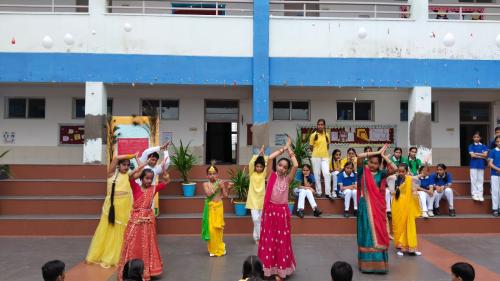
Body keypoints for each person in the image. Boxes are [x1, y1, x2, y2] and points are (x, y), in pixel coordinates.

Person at [117, 160, 170, 281]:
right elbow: (130, 176)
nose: (149, 181)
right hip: (136, 222)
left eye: (151, 179)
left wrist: (164, 170)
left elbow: (167, 181)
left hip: (147, 223)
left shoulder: (154, 188)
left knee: (147, 245)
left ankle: (146, 271)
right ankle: (130, 270)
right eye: (146, 178)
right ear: (141, 179)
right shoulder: (135, 186)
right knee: (131, 243)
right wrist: (140, 167)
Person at [86, 153, 136, 268]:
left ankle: (121, 255)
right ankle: (108, 255)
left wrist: (137, 159)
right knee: (109, 230)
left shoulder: (129, 175)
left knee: (122, 230)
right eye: (124, 164)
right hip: (112, 207)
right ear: (118, 165)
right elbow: (116, 158)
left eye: (128, 165)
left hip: (125, 205)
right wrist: (130, 155)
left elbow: (138, 172)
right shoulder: (111, 174)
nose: (126, 167)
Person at [258, 136, 298, 280]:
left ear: (287, 170)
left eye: (284, 167)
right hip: (270, 212)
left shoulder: (288, 179)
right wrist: (283, 149)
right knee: (269, 240)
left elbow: (296, 165)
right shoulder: (271, 175)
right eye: (280, 165)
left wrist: (290, 150)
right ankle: (268, 269)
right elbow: (269, 158)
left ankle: (280, 271)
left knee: (281, 241)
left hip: (281, 214)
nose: (281, 168)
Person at [356, 144, 395, 274]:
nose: (372, 165)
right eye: (371, 162)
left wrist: (383, 157)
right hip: (365, 207)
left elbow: (394, 169)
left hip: (377, 208)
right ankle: (366, 264)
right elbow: (359, 157)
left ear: (379, 164)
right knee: (366, 233)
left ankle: (380, 265)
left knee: (378, 232)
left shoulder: (381, 174)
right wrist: (375, 152)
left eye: (376, 163)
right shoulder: (362, 171)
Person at [202, 163, 233, 257]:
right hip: (210, 209)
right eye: (210, 174)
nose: (212, 175)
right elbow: (208, 194)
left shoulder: (221, 183)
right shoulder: (205, 184)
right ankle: (212, 249)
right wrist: (216, 187)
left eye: (214, 173)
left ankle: (220, 248)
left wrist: (228, 188)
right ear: (207, 175)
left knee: (218, 229)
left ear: (217, 174)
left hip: (219, 207)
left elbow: (226, 196)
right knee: (211, 230)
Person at [392, 163, 422, 256]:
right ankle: (402, 247)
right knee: (400, 226)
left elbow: (414, 189)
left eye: (403, 171)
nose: (401, 173)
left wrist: (414, 194)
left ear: (407, 171)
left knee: (409, 225)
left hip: (408, 205)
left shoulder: (409, 179)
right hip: (398, 205)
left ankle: (412, 247)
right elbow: (393, 192)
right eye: (399, 171)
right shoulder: (396, 179)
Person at [137, 142, 171, 216]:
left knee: (148, 214)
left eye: (155, 160)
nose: (154, 162)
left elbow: (167, 162)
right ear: (148, 159)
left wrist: (165, 151)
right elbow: (146, 152)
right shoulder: (143, 165)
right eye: (152, 159)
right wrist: (160, 147)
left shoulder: (156, 169)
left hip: (150, 193)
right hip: (139, 193)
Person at [246, 145, 269, 244]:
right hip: (252, 200)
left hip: (261, 200)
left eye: (261, 166)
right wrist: (259, 153)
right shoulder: (252, 173)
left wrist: (263, 154)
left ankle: (256, 238)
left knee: (260, 219)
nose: (259, 168)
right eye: (257, 166)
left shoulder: (264, 174)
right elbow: (251, 163)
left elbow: (267, 163)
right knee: (255, 219)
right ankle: (261, 237)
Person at [309, 119, 332, 199]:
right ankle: (319, 192)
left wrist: (323, 152)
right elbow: (311, 147)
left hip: (325, 157)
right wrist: (317, 152)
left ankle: (328, 193)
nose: (320, 126)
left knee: (327, 174)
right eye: (319, 124)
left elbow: (328, 146)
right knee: (317, 175)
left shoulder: (327, 135)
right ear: (317, 125)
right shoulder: (313, 135)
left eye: (322, 124)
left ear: (324, 125)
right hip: (315, 157)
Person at [469, 132, 489, 202]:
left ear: (480, 138)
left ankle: (480, 194)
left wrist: (476, 154)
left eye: (477, 137)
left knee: (480, 180)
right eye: (475, 137)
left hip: (481, 165)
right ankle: (474, 194)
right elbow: (472, 155)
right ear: (473, 138)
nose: (476, 138)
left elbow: (486, 155)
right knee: (474, 180)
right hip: (473, 165)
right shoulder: (471, 146)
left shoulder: (484, 146)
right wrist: (481, 155)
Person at [488, 135, 500, 217]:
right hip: (495, 174)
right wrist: (498, 169)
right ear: (495, 143)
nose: (499, 143)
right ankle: (495, 209)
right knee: (495, 191)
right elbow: (490, 164)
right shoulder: (492, 151)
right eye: (498, 141)